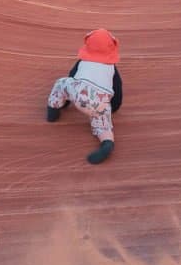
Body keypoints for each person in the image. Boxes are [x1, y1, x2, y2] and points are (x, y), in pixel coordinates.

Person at [46, 29, 124, 164]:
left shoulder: (83, 60)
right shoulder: (111, 67)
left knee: (61, 83)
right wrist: (114, 107)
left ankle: (53, 109)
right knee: (104, 125)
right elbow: (118, 87)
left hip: (78, 94)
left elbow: (72, 75)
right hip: (100, 102)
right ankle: (107, 142)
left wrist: (68, 99)